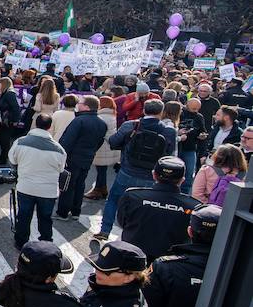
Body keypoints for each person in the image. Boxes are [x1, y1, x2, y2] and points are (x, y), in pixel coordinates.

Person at [98, 99, 175, 241]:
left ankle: (105, 229)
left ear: (144, 110)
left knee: (114, 199)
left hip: (128, 170)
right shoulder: (168, 131)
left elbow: (113, 142)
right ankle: (134, 236)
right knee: (143, 206)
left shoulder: (131, 125)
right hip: (151, 174)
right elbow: (169, 153)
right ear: (161, 112)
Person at [117, 156, 201, 264]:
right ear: (182, 180)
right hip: (169, 265)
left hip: (131, 259)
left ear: (154, 175)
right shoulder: (194, 206)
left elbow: (122, 222)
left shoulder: (132, 196)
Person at [8, 114, 66, 248]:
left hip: (26, 186)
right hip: (48, 190)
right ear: (50, 127)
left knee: (24, 215)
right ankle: (46, 244)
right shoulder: (59, 149)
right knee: (45, 218)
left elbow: (12, 159)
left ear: (35, 124)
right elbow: (61, 169)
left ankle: (21, 242)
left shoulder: (20, 142)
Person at [55, 95, 107, 222]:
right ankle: (76, 211)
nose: (78, 104)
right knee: (80, 184)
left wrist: (62, 156)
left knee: (68, 185)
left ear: (87, 107)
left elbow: (67, 141)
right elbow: (100, 142)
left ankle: (63, 212)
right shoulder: (101, 123)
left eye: (81, 103)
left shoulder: (79, 121)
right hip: (88, 157)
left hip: (73, 157)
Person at [85, 95, 120, 200]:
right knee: (102, 169)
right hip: (108, 146)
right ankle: (102, 189)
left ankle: (98, 190)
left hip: (102, 147)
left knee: (100, 169)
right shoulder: (112, 115)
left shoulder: (101, 117)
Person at [176, 98, 206, 194]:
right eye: (193, 108)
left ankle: (184, 193)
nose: (195, 111)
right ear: (187, 105)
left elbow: (202, 130)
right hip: (177, 146)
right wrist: (178, 133)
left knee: (189, 173)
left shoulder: (199, 117)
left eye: (197, 109)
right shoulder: (180, 113)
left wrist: (202, 135)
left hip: (190, 148)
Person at [0, 76, 21, 165]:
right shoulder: (6, 93)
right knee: (3, 139)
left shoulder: (9, 94)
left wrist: (16, 120)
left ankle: (4, 158)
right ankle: (2, 156)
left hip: (8, 121)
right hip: (6, 121)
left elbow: (16, 108)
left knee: (5, 140)